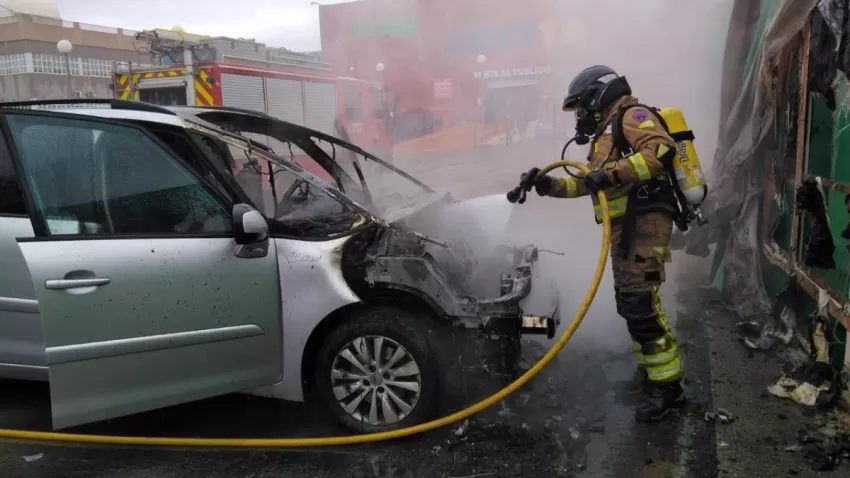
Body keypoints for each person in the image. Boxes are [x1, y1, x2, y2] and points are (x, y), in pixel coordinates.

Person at [522, 65, 686, 422]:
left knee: (641, 303)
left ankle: (669, 387)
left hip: (646, 223)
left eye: (580, 108)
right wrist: (546, 185)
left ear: (598, 97)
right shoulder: (606, 135)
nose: (579, 117)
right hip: (627, 229)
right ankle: (652, 375)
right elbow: (588, 184)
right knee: (630, 303)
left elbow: (661, 151)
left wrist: (609, 173)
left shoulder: (631, 116)